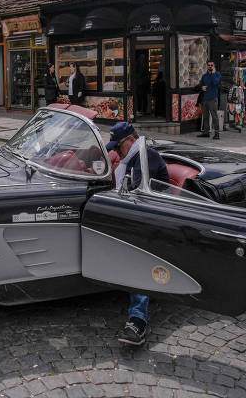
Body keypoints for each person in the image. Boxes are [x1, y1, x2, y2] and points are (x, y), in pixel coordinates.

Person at [105, 122, 169, 346]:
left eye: (118, 147)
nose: (116, 152)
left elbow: (138, 193)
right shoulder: (129, 159)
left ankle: (138, 319)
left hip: (157, 219)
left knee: (137, 255)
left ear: (130, 142)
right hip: (135, 215)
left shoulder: (145, 157)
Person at [197, 61, 221, 140]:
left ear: (214, 66)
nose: (210, 66)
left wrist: (213, 73)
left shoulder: (217, 74)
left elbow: (215, 83)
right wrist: (201, 88)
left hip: (212, 99)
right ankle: (206, 132)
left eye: (211, 65)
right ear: (207, 66)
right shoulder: (204, 76)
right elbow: (200, 85)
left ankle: (217, 133)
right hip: (204, 99)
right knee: (205, 117)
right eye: (209, 65)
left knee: (214, 117)